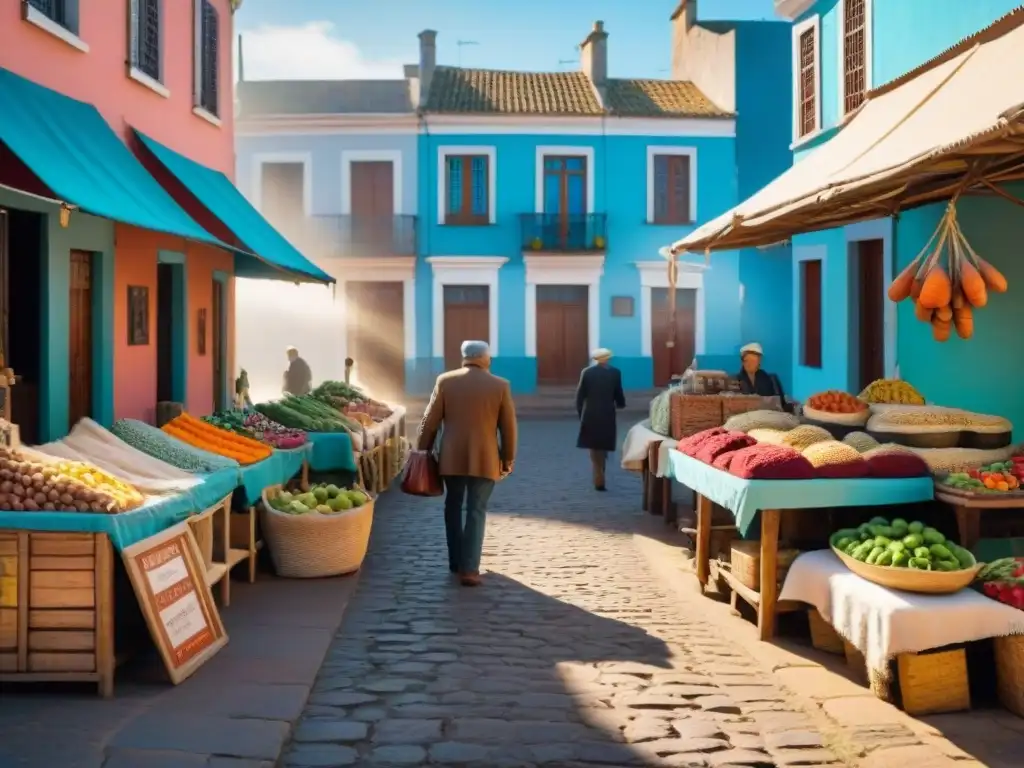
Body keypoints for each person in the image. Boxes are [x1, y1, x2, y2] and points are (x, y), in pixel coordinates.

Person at [417, 340, 517, 587]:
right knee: (476, 510)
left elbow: (430, 420)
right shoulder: (500, 385)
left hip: (451, 458)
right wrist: (508, 458)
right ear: (485, 358)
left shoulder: (446, 381)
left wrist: (422, 449)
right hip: (485, 459)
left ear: (464, 357)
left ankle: (455, 561)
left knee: (453, 506)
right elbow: (508, 428)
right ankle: (470, 569)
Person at [575, 348, 626, 492]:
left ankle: (598, 475)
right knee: (604, 443)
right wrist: (621, 404)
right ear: (608, 358)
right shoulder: (615, 373)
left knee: (593, 446)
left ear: (595, 359)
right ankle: (601, 470)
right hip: (608, 413)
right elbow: (618, 393)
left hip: (590, 413)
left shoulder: (587, 373)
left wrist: (581, 414)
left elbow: (580, 396)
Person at [735, 342, 791, 411]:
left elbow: (781, 404)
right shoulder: (736, 381)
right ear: (743, 362)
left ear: (759, 362)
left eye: (754, 361)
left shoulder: (769, 379)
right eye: (747, 361)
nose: (750, 364)